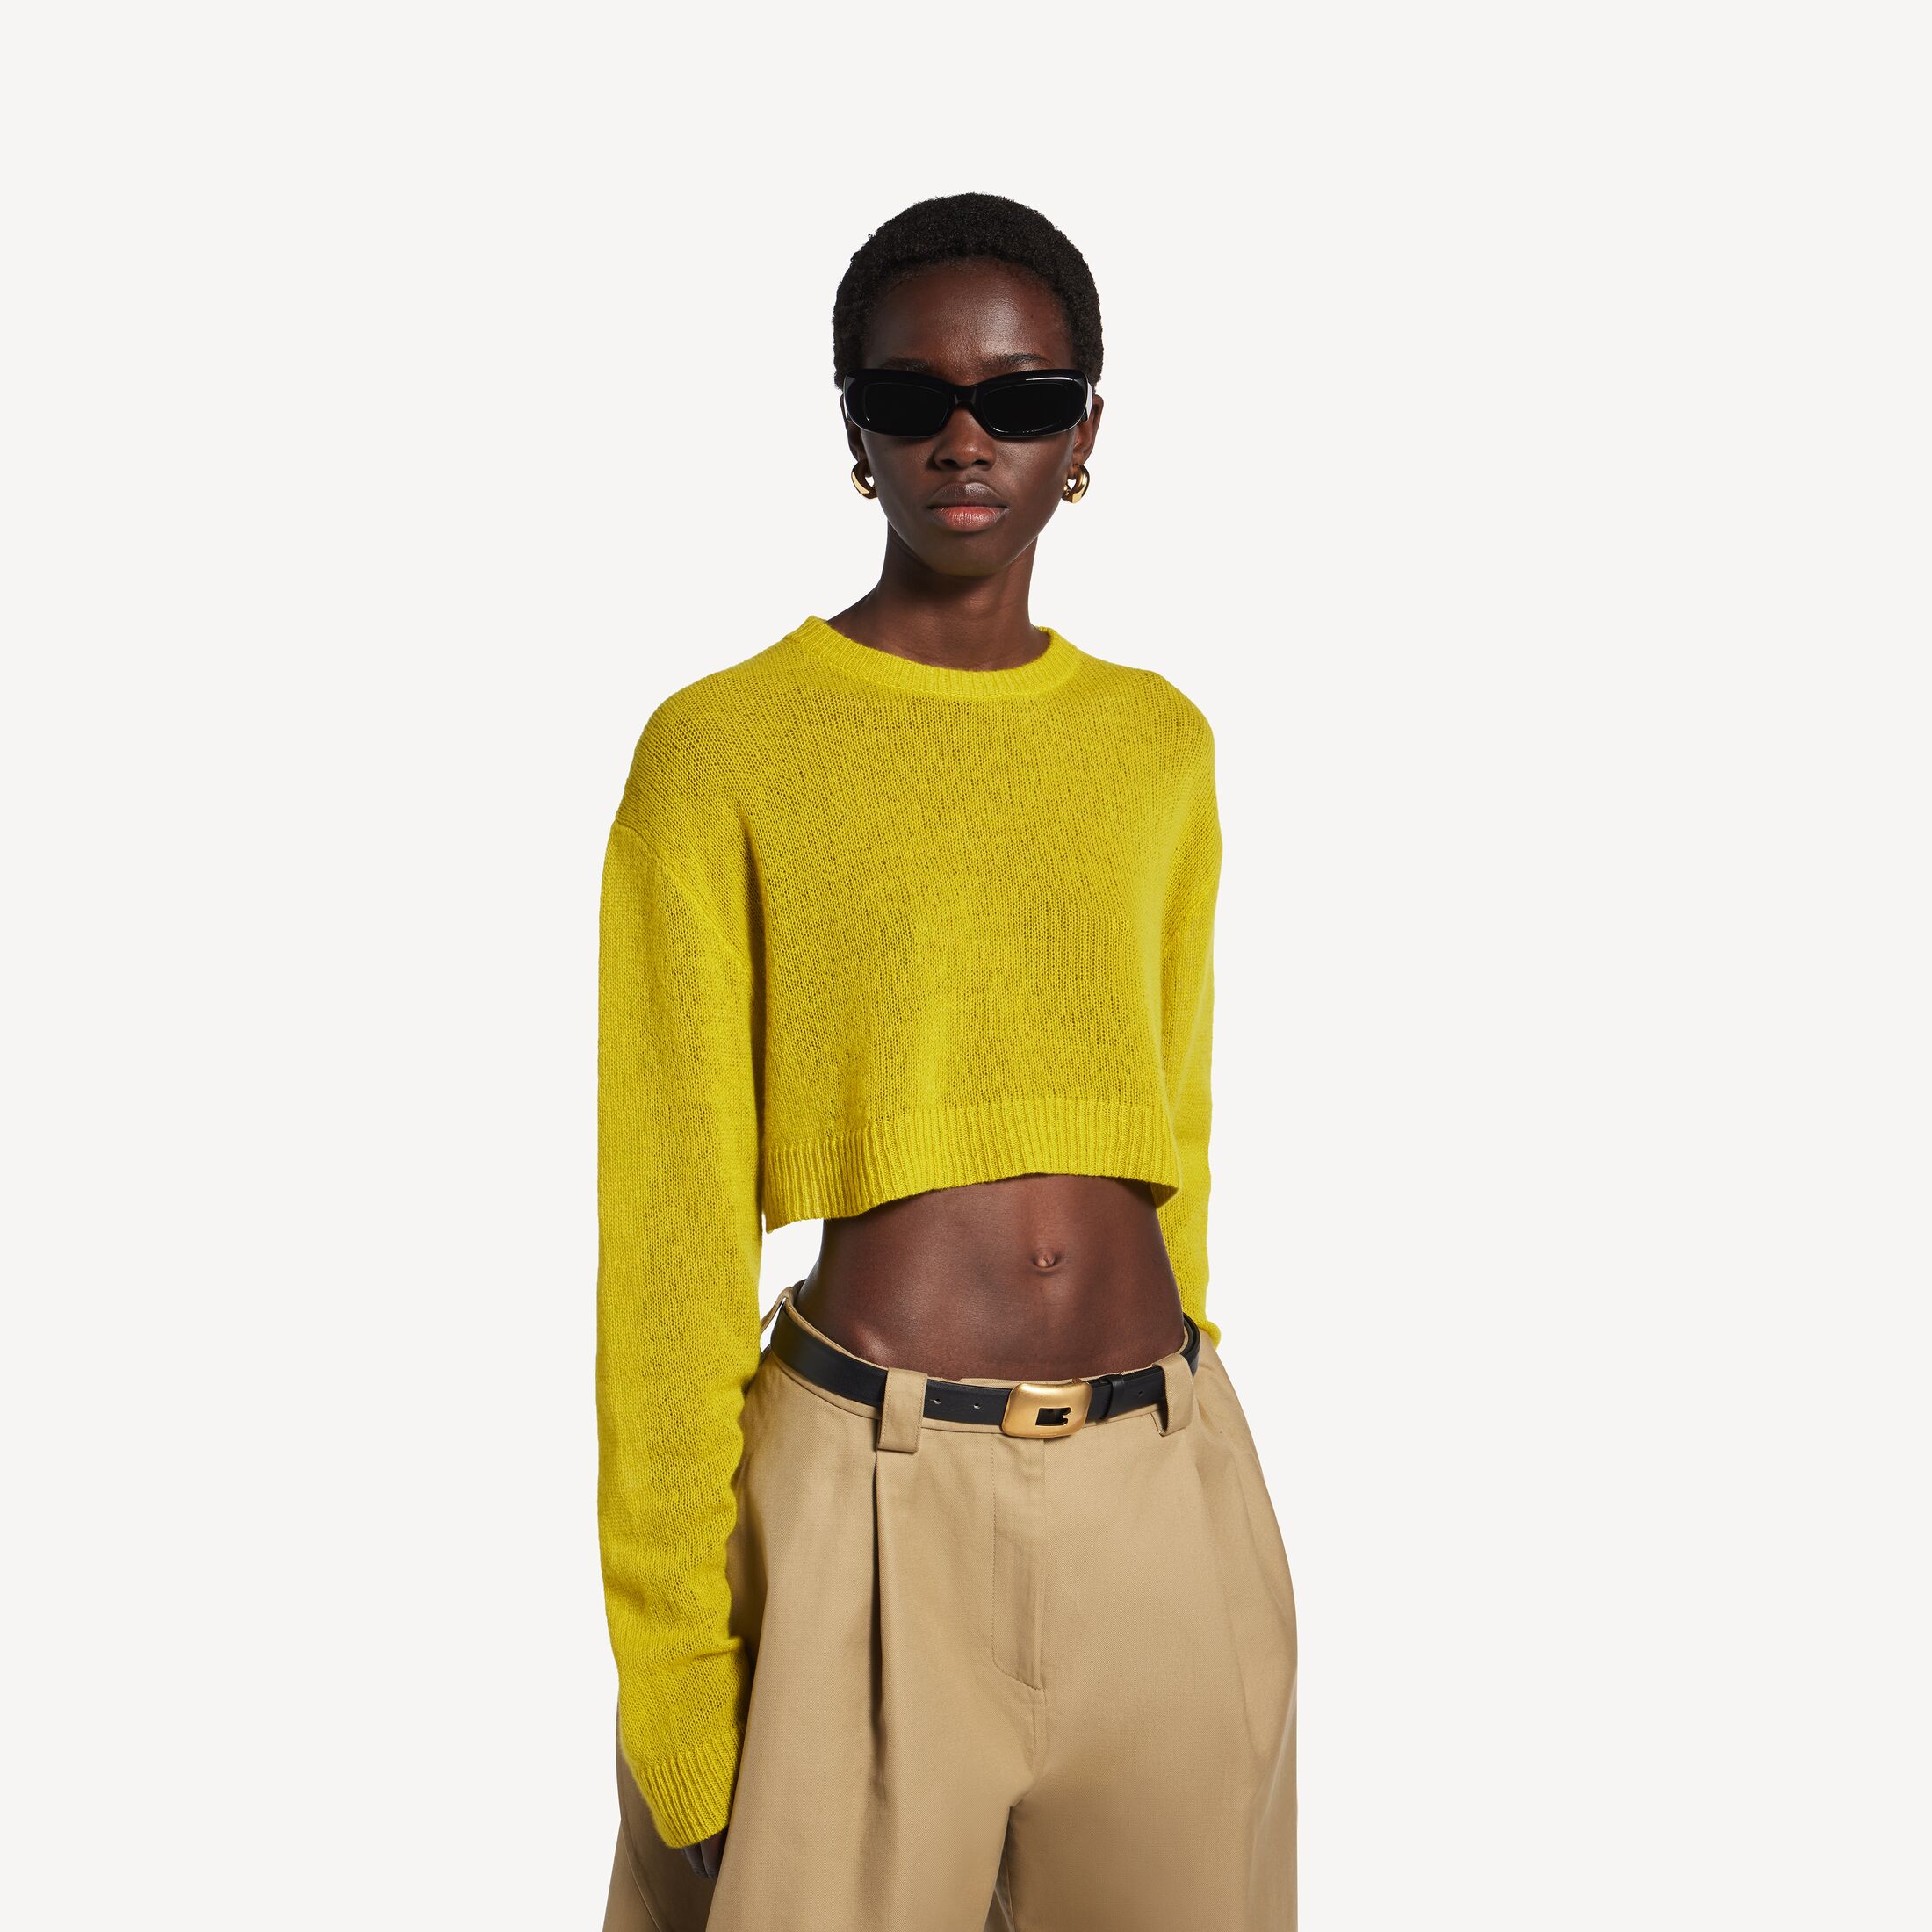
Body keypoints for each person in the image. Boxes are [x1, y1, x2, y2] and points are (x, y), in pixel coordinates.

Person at [596, 191, 1296, 1932]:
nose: (963, 439)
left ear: (1086, 432)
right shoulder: (722, 750)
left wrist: (1199, 1462)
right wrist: (677, 1681)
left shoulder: (1156, 744)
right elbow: (669, 1234)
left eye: (1020, 396)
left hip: (1164, 1490)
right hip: (868, 1500)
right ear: (854, 434)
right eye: (909, 399)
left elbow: (1177, 1132)